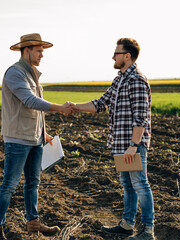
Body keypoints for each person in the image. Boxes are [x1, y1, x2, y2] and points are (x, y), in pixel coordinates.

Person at [71, 38, 155, 240]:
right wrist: (75, 106)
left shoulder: (136, 80)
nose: (113, 57)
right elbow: (101, 103)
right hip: (120, 144)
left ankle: (148, 230)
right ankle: (127, 224)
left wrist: (134, 145)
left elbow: (141, 117)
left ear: (127, 56)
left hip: (131, 146)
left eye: (116, 53)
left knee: (140, 184)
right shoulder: (119, 79)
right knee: (127, 185)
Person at [0, 33, 72, 240]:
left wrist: (43, 133)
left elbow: (36, 110)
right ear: (26, 50)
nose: (42, 55)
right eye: (39, 51)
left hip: (35, 139)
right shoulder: (15, 73)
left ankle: (33, 223)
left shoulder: (33, 74)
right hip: (18, 139)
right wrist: (60, 108)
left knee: (32, 183)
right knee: (10, 183)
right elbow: (30, 101)